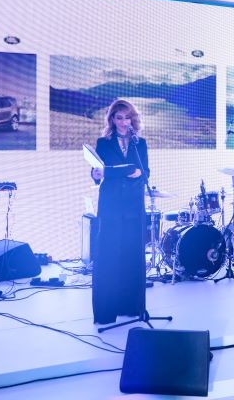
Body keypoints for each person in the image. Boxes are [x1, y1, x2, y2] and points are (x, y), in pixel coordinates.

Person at [90, 99, 149, 325]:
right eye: (119, 118)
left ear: (133, 119)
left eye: (128, 118)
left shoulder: (139, 143)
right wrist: (97, 174)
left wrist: (139, 173)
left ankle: (132, 307)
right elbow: (97, 172)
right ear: (112, 120)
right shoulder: (103, 143)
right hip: (111, 205)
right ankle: (106, 312)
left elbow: (146, 171)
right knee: (108, 254)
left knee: (132, 255)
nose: (124, 122)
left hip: (134, 206)